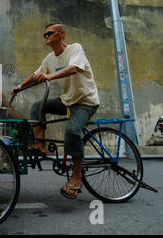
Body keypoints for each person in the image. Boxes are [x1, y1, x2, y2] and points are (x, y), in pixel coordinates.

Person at [11, 22, 100, 199]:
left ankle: (76, 176)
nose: (47, 37)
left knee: (72, 131)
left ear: (62, 34)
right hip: (67, 101)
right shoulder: (49, 58)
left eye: (50, 33)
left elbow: (74, 68)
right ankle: (40, 145)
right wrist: (20, 87)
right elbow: (37, 75)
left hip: (85, 101)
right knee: (38, 106)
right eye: (44, 35)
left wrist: (49, 76)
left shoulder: (75, 49)